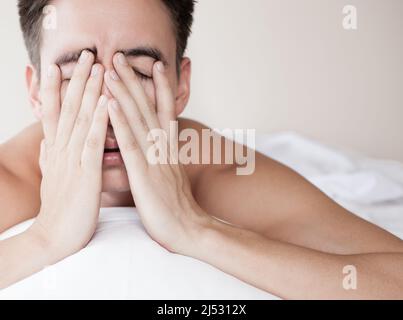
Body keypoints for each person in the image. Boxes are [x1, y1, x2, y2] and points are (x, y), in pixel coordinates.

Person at [0, 0, 402, 299]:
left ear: (180, 86)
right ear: (36, 92)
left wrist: (195, 229)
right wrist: (45, 238)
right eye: (78, 77)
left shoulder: (217, 172)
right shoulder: (11, 180)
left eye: (137, 74)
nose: (110, 107)